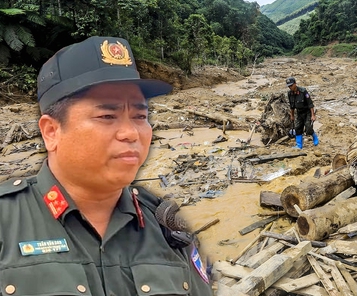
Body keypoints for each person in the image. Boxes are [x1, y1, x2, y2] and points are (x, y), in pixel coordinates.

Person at [0, 36, 213, 296]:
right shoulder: (6, 222)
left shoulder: (165, 226)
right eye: (107, 116)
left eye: (140, 116)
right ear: (51, 132)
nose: (130, 133)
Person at [286, 76, 319, 149]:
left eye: (291, 85)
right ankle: (299, 145)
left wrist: (313, 115)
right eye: (289, 86)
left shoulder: (303, 91)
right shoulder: (289, 94)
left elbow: (310, 104)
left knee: (308, 127)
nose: (290, 87)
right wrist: (292, 115)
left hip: (307, 112)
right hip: (299, 112)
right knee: (298, 127)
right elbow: (292, 106)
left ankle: (315, 137)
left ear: (295, 84)